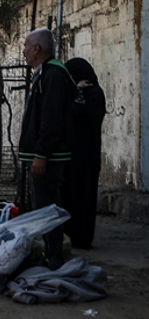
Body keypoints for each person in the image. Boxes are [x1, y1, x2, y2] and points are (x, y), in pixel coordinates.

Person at [19, 28, 74, 269]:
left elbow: (51, 119)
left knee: (48, 208)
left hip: (49, 157)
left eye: (25, 47)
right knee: (43, 207)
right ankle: (49, 255)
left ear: (36, 49)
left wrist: (41, 153)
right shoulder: (44, 74)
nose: (24, 52)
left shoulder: (53, 75)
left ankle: (53, 258)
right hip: (44, 155)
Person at [62, 58, 106, 249]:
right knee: (72, 195)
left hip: (85, 156)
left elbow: (75, 113)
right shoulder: (82, 93)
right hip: (75, 156)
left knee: (83, 196)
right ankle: (73, 234)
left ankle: (82, 237)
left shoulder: (94, 94)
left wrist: (78, 90)